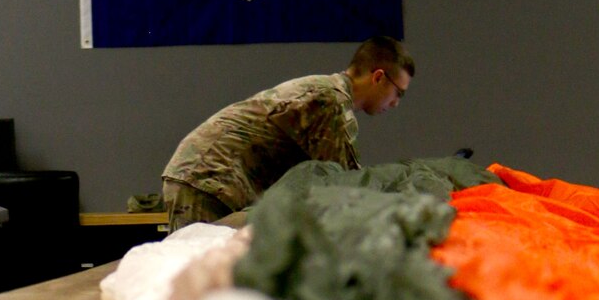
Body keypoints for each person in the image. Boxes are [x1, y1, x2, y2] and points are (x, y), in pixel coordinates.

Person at [160, 36, 414, 229]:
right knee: (200, 281)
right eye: (398, 93)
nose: (396, 103)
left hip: (211, 178)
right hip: (210, 180)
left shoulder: (328, 93)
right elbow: (347, 186)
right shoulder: (330, 102)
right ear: (378, 77)